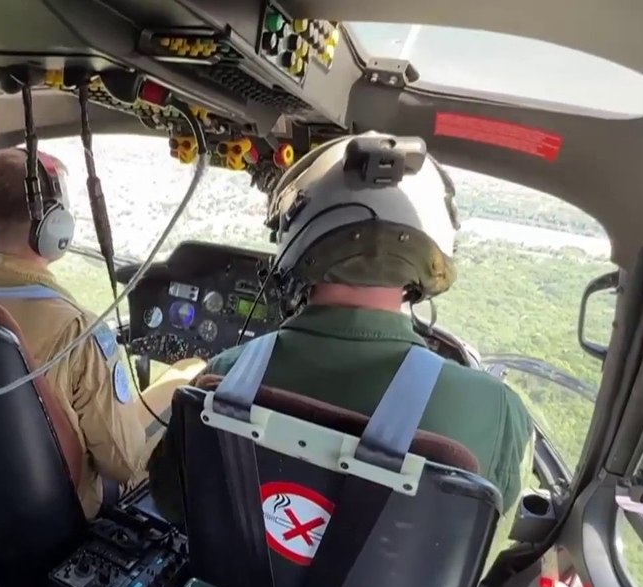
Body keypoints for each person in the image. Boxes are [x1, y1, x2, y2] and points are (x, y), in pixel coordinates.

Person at [147, 133, 535, 563]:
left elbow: (173, 503)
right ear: (432, 256)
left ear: (295, 240)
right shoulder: (494, 410)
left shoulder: (226, 375)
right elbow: (475, 562)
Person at [0, 147, 153, 518]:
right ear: (53, 224)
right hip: (60, 513)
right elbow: (125, 465)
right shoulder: (76, 329)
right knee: (180, 389)